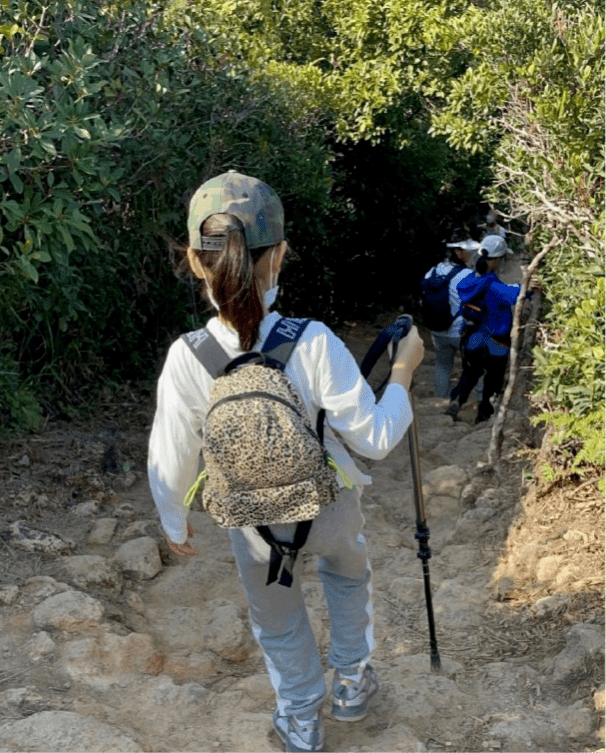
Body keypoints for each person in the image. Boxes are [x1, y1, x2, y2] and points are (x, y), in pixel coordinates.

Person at [147, 170, 425, 753]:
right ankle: (351, 682)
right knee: (349, 575)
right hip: (331, 502)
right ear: (279, 256)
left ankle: (300, 716)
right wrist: (403, 371)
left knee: (275, 612)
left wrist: (174, 520)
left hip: (251, 519)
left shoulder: (187, 356)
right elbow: (373, 437)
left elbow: (170, 454)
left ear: (197, 264)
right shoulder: (314, 339)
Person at [445, 234, 531, 424]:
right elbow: (515, 294)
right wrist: (529, 288)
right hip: (496, 342)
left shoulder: (468, 282)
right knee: (493, 379)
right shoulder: (494, 285)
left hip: (472, 338)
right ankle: (484, 415)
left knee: (470, 372)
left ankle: (457, 401)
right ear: (497, 260)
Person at [421, 238, 480, 397]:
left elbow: (423, 290)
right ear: (458, 252)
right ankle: (481, 403)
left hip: (438, 331)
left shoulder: (433, 271)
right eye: (468, 251)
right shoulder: (468, 275)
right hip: (460, 331)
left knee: (442, 366)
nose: (471, 254)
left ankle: (440, 400)